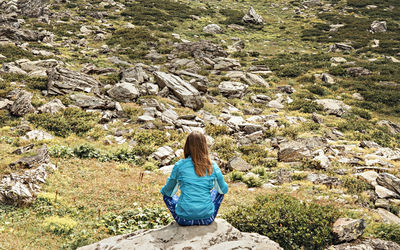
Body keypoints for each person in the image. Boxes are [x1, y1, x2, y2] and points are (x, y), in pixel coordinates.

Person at [160, 131, 228, 226]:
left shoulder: (179, 165)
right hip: (207, 218)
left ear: (187, 146)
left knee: (166, 195)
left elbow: (168, 192)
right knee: (218, 192)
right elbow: (223, 190)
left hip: (184, 219)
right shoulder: (212, 165)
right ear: (204, 146)